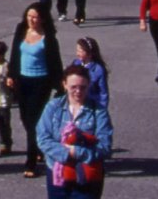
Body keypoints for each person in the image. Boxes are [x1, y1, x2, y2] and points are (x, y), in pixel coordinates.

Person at [35, 65, 113, 199]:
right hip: (58, 174)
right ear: (64, 84)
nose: (78, 91)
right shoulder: (53, 107)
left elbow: (104, 147)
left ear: (89, 85)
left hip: (88, 176)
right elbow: (43, 138)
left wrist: (76, 152)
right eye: (73, 87)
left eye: (83, 87)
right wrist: (66, 153)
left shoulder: (98, 111)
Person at [7, 1, 63, 178]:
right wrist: (11, 74)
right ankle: (38, 146)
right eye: (29, 16)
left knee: (33, 123)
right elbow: (15, 54)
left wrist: (60, 84)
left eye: (35, 17)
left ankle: (31, 162)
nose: (31, 19)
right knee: (25, 118)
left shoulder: (48, 37)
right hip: (22, 81)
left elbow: (55, 61)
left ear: (43, 19)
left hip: (41, 82)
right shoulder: (21, 30)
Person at [70, 37, 109, 110]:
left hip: (91, 105)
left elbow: (103, 92)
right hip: (76, 103)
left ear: (89, 53)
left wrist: (102, 109)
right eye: (77, 50)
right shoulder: (76, 63)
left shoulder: (98, 69)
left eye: (80, 51)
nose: (77, 54)